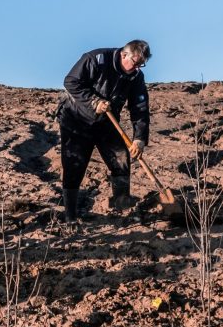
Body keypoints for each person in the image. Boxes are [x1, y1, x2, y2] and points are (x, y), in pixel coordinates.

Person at [57, 41, 152, 223]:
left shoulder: (136, 77)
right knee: (74, 165)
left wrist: (139, 138)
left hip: (107, 122)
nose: (137, 68)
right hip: (76, 119)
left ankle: (121, 206)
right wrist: (93, 101)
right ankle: (70, 215)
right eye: (135, 63)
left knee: (121, 158)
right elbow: (70, 81)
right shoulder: (96, 59)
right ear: (124, 55)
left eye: (141, 65)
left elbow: (140, 107)